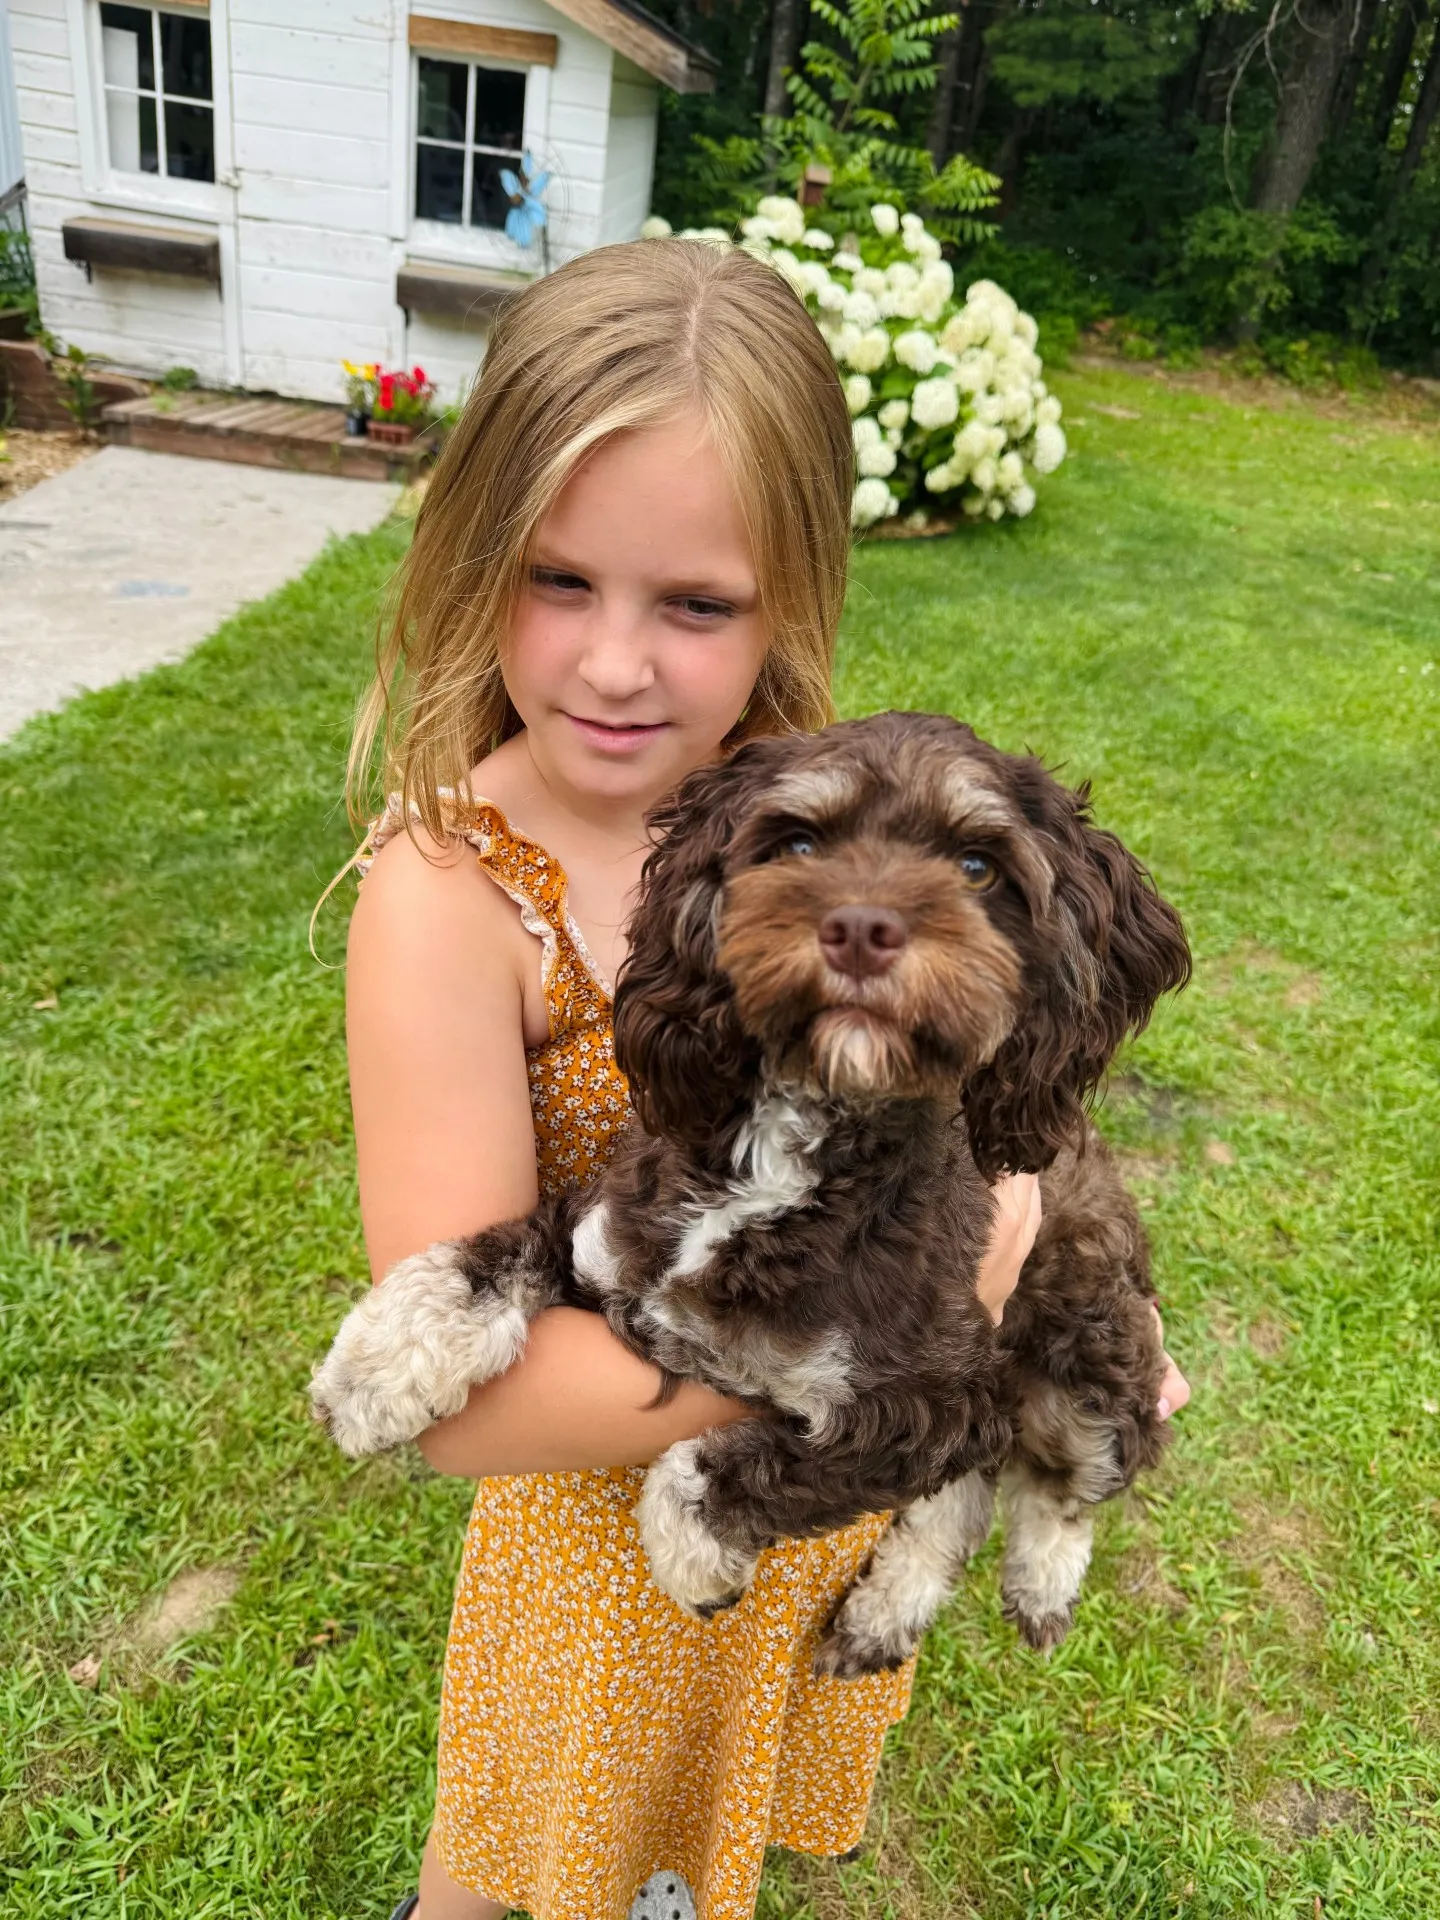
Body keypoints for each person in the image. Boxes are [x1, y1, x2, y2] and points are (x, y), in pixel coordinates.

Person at [340, 236, 1190, 1920]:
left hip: (810, 1516)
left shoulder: (809, 813)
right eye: (557, 579)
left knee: (696, 1855)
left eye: (696, 604)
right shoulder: (451, 900)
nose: (612, 665)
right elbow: (471, 1415)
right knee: (514, 1867)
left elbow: (999, 1101)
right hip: (594, 1536)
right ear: (469, 556)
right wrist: (870, 1376)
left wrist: (1039, 1275)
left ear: (790, 597)